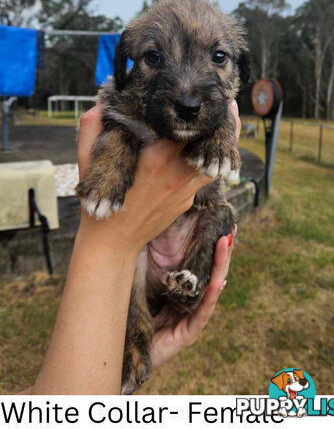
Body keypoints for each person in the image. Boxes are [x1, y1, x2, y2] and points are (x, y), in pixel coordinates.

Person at [22, 100, 240, 395]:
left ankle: (189, 287)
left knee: (222, 216)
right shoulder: (128, 101)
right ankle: (134, 352)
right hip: (140, 255)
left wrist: (222, 125)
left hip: (191, 231)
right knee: (135, 259)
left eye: (217, 58)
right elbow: (113, 119)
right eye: (154, 57)